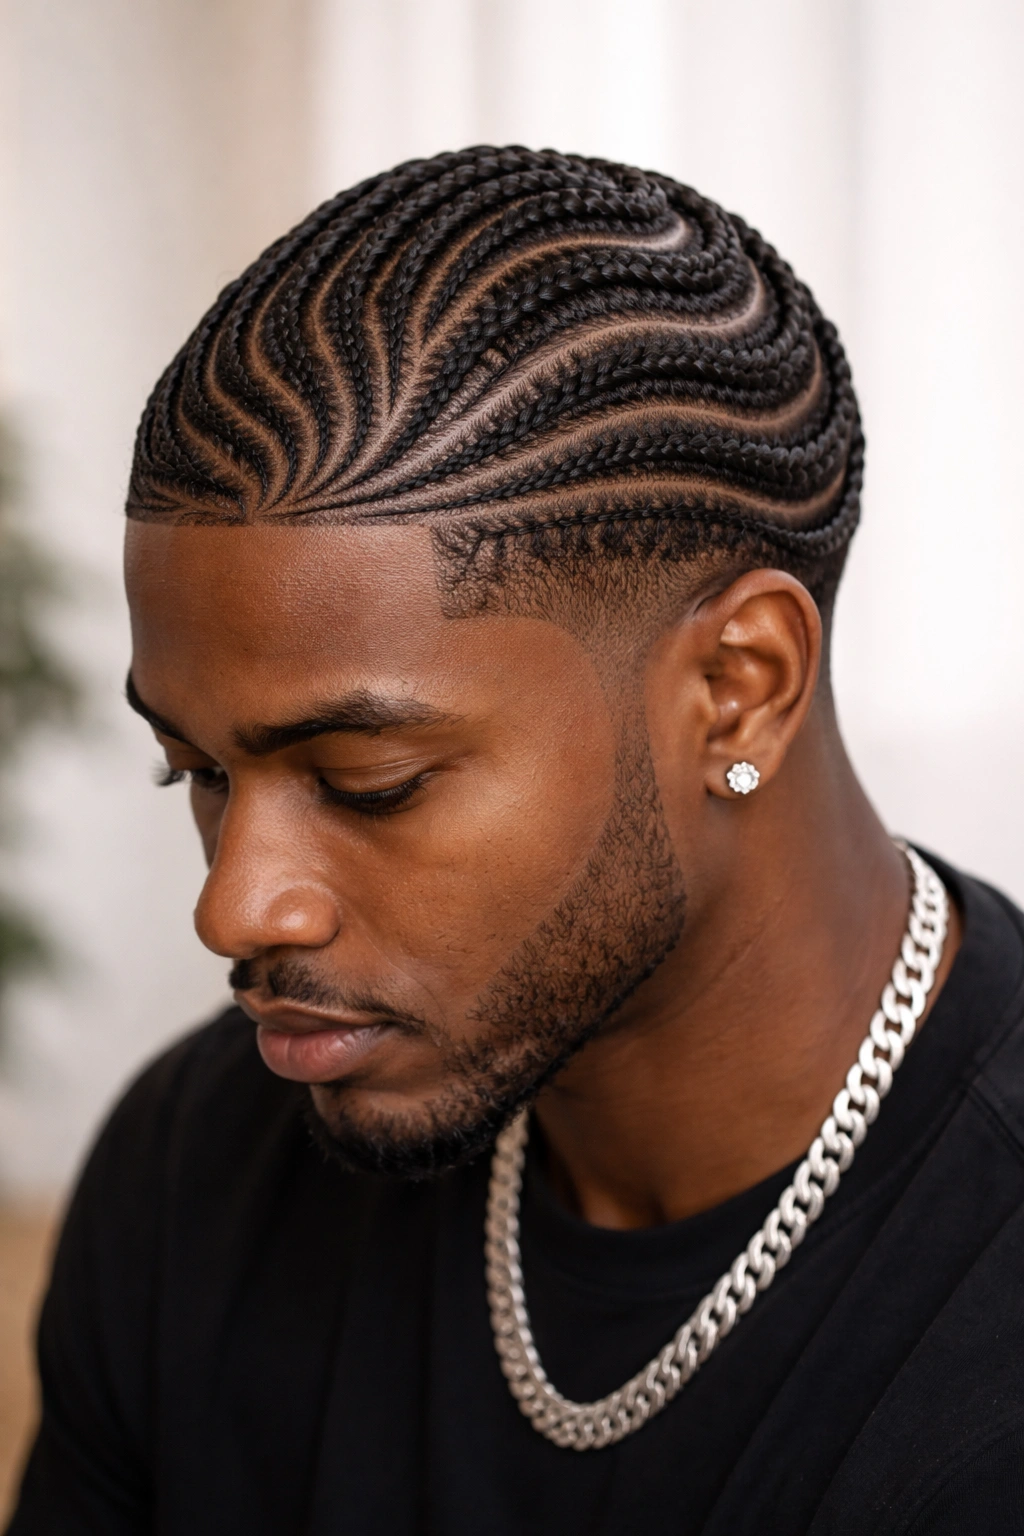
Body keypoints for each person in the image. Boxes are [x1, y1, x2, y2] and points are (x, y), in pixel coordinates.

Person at [8, 147, 1024, 1536]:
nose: (235, 910)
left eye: (369, 783)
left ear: (739, 689)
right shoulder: (199, 1172)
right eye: (193, 770)